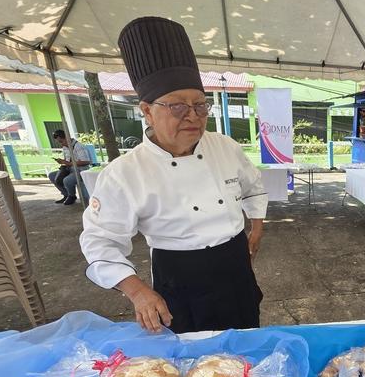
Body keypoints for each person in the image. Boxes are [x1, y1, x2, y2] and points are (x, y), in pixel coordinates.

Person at [80, 16, 268, 333]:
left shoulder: (225, 146)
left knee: (246, 338)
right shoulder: (123, 173)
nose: (193, 116)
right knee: (189, 357)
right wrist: (137, 291)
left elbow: (252, 186)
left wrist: (257, 228)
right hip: (180, 274)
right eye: (178, 107)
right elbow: (99, 242)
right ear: (146, 110)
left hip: (235, 264)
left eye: (200, 105)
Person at [47, 130, 92, 205]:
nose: (61, 144)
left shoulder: (79, 146)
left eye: (61, 141)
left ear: (67, 138)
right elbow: (67, 160)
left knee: (67, 180)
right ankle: (66, 194)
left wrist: (68, 163)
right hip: (69, 168)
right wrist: (62, 161)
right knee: (52, 175)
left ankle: (72, 196)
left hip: (81, 169)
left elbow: (86, 161)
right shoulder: (65, 147)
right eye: (59, 142)